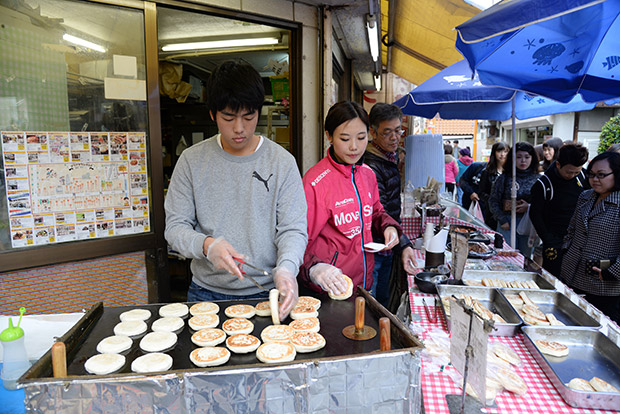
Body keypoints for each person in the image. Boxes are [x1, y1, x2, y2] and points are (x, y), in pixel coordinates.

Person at [164, 60, 308, 320]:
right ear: (212, 114)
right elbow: (175, 229)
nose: (239, 128)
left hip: (268, 294)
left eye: (249, 117)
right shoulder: (191, 160)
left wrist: (287, 268)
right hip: (206, 294)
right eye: (228, 118)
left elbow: (293, 228)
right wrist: (207, 245)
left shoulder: (282, 161)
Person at [299, 101, 402, 297]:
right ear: (329, 136)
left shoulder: (367, 174)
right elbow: (298, 239)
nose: (354, 147)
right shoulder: (315, 182)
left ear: (369, 134)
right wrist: (314, 268)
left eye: (361, 138)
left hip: (364, 283)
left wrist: (388, 226)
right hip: (329, 290)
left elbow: (376, 211)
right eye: (345, 139)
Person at [364, 103, 416, 307]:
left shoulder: (388, 157)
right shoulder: (371, 164)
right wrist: (403, 242)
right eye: (387, 133)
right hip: (375, 246)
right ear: (373, 132)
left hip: (387, 243)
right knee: (374, 304)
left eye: (398, 131)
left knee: (383, 300)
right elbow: (381, 209)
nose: (395, 137)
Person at [561, 152, 620, 324]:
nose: (595, 179)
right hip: (573, 272)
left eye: (601, 175)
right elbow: (572, 228)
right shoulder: (585, 196)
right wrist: (566, 249)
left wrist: (612, 272)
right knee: (570, 321)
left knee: (599, 327)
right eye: (592, 174)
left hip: (605, 283)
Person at [529, 143, 589, 277]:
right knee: (553, 275)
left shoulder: (584, 177)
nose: (573, 175)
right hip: (554, 238)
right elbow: (535, 214)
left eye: (576, 172)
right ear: (558, 165)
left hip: (578, 238)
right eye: (569, 172)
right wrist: (548, 239)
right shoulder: (543, 184)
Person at [488, 142, 539, 257]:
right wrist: (502, 219)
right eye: (519, 157)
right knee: (505, 256)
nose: (523, 161)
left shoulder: (538, 179)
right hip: (507, 224)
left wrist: (529, 207)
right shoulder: (504, 178)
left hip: (528, 223)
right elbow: (493, 201)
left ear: (532, 158)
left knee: (525, 257)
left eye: (527, 157)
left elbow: (542, 204)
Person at [478, 142, 509, 231]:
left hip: (509, 213)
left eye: (505, 151)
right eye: (499, 151)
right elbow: (481, 192)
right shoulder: (487, 172)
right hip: (492, 213)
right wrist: (493, 200)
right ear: (494, 153)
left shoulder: (512, 173)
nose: (502, 154)